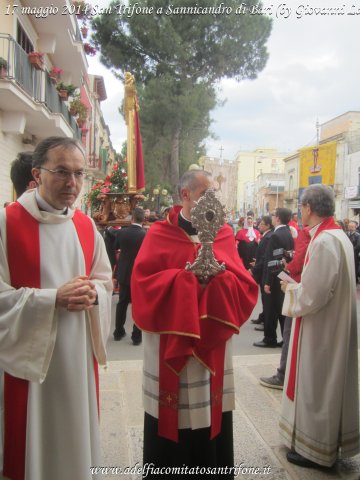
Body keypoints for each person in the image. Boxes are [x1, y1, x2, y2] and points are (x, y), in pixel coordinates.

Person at [131, 170, 258, 479]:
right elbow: (142, 284)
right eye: (205, 194)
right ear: (185, 195)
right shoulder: (160, 233)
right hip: (170, 344)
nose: (211, 201)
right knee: (170, 418)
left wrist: (221, 279)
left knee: (210, 419)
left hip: (211, 345)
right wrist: (185, 280)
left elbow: (245, 284)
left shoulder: (225, 234)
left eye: (214, 194)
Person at [0, 136, 113, 480]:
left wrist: (94, 294)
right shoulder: (7, 224)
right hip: (29, 361)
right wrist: (52, 299)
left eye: (79, 173)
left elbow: (105, 281)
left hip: (77, 357)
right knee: (31, 439)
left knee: (72, 441)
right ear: (36, 173)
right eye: (62, 172)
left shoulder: (86, 226)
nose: (73, 183)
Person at [280, 184, 359, 469]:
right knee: (325, 384)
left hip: (323, 330)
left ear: (309, 208)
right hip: (331, 324)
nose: (300, 211)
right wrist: (300, 287)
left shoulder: (325, 242)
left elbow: (312, 295)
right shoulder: (337, 236)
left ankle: (315, 451)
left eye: (301, 207)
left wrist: (290, 289)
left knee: (318, 385)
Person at [259, 225, 311, 389]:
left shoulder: (306, 233)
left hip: (298, 285)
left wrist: (289, 267)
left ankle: (283, 375)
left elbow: (299, 259)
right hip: (304, 286)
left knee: (289, 331)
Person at [254, 208, 294, 348]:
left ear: (277, 218)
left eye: (273, 215)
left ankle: (269, 338)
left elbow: (272, 261)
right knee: (281, 309)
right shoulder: (288, 233)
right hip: (283, 276)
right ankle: (285, 338)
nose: (271, 217)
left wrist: (268, 282)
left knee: (271, 309)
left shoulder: (276, 236)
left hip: (274, 277)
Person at [113, 207, 146, 345]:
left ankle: (118, 332)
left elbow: (115, 247)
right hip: (139, 273)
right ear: (143, 220)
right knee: (138, 305)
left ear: (132, 218)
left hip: (124, 272)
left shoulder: (122, 233)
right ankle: (136, 336)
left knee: (122, 303)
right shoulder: (145, 234)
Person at [249, 215, 273, 330]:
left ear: (268, 225)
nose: (259, 226)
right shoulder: (266, 235)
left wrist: (255, 269)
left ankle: (266, 321)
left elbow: (265, 256)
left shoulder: (269, 237)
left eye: (261, 224)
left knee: (266, 299)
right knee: (264, 298)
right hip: (261, 268)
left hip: (264, 270)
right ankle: (263, 317)